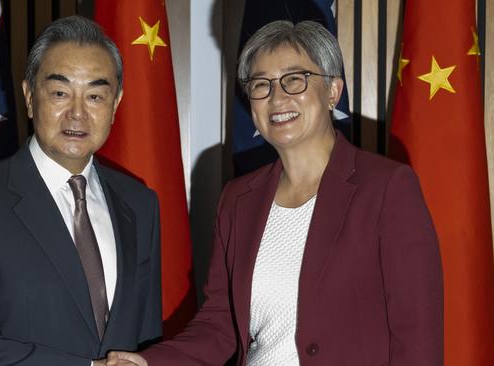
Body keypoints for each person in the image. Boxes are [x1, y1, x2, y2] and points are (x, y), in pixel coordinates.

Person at [108, 20, 443, 366]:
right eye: (261, 85)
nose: (277, 97)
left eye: (294, 80)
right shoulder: (237, 199)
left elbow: (417, 334)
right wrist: (150, 362)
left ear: (333, 91)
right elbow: (219, 325)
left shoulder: (387, 187)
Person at [0, 15, 162, 365]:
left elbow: (144, 339)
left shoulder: (140, 203)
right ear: (28, 96)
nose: (78, 113)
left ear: (115, 105)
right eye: (59, 93)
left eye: (96, 95)